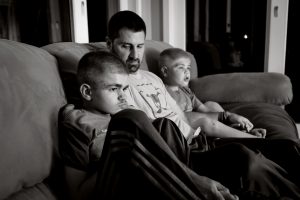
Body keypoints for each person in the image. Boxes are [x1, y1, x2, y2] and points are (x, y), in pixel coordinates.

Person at [59, 50, 300, 200]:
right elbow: (77, 193)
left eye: (124, 89)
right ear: (87, 92)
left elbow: (176, 131)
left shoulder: (118, 109)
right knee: (130, 120)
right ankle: (193, 184)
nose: (123, 97)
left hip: (170, 171)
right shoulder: (76, 121)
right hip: (127, 185)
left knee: (242, 157)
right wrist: (125, 156)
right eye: (114, 90)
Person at [158, 47, 266, 139]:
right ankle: (253, 139)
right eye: (181, 67)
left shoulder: (186, 91)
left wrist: (226, 118)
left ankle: (239, 130)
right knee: (204, 121)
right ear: (165, 71)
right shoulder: (163, 91)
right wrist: (226, 116)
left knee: (211, 104)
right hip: (187, 129)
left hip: (202, 123)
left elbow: (205, 110)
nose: (187, 72)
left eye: (188, 68)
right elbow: (184, 117)